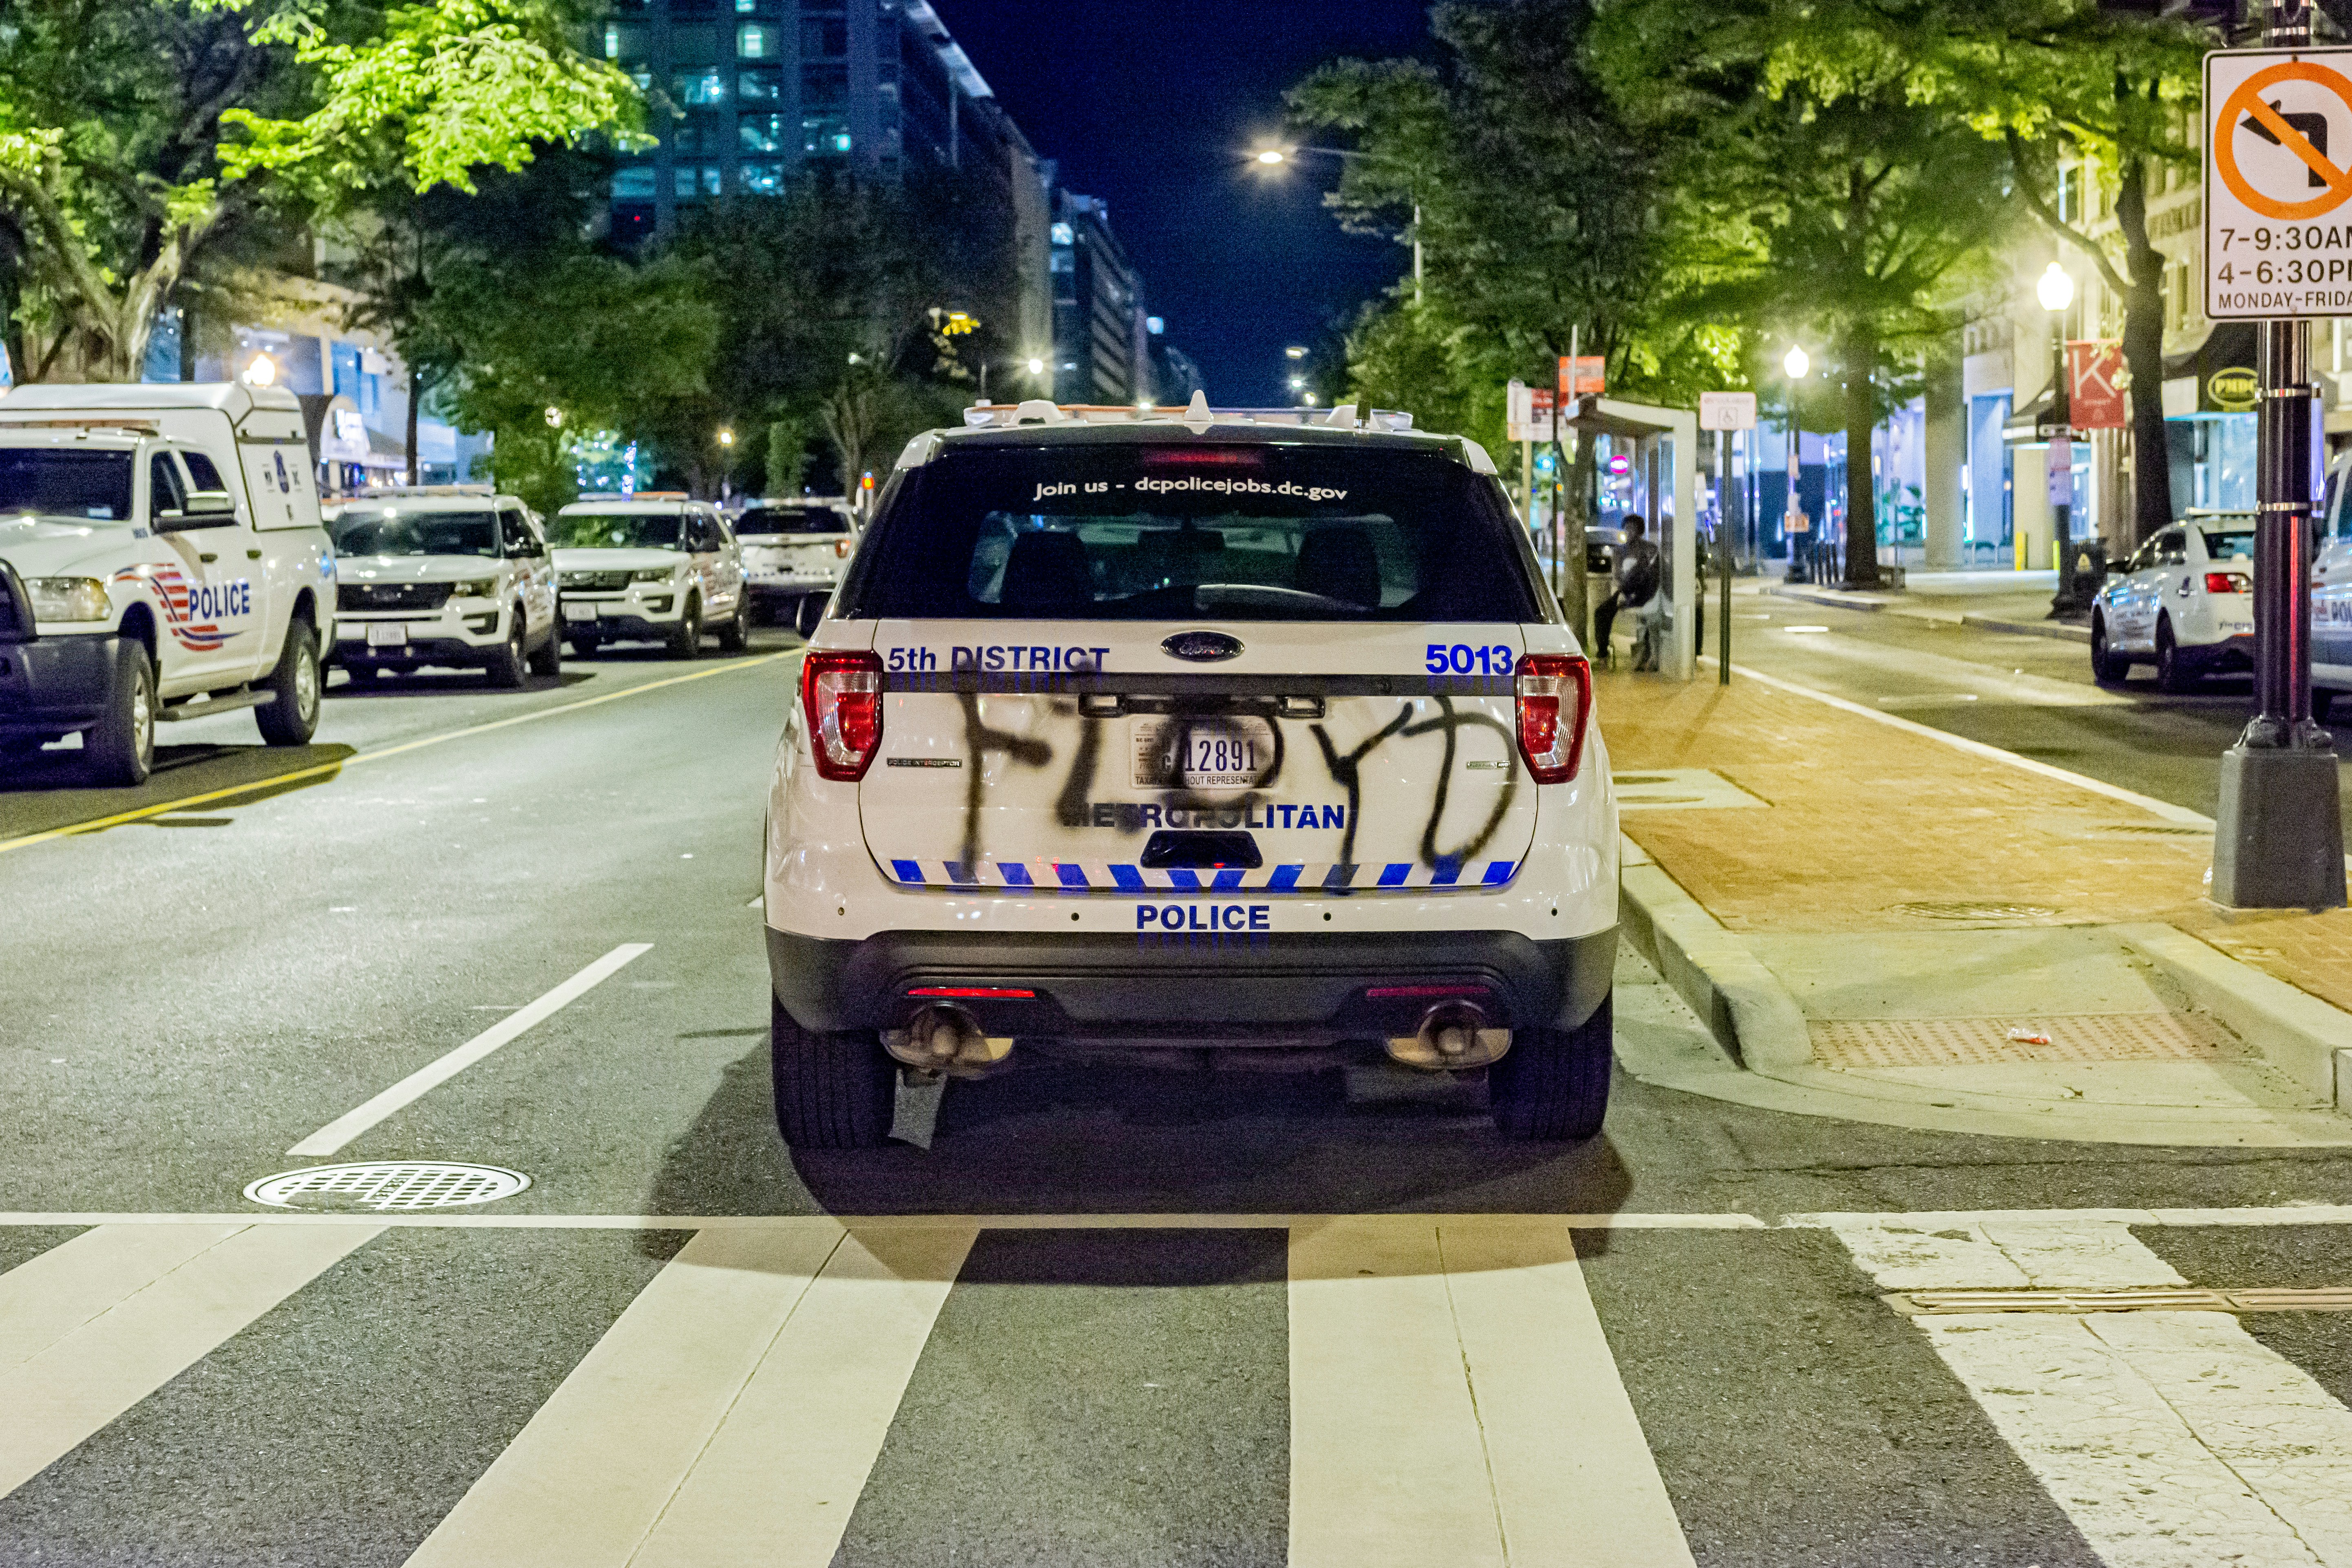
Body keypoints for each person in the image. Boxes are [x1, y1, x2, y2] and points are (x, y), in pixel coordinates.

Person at [1591, 514, 1661, 667]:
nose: (1629, 532)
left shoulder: (1649, 549)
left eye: (1633, 529)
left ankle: (1647, 655)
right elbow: (1618, 575)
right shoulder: (1619, 551)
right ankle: (1603, 655)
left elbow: (1651, 574)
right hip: (1625, 593)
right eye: (1627, 529)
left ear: (1640, 531)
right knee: (1601, 613)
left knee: (1641, 568)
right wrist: (1623, 591)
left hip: (1644, 592)